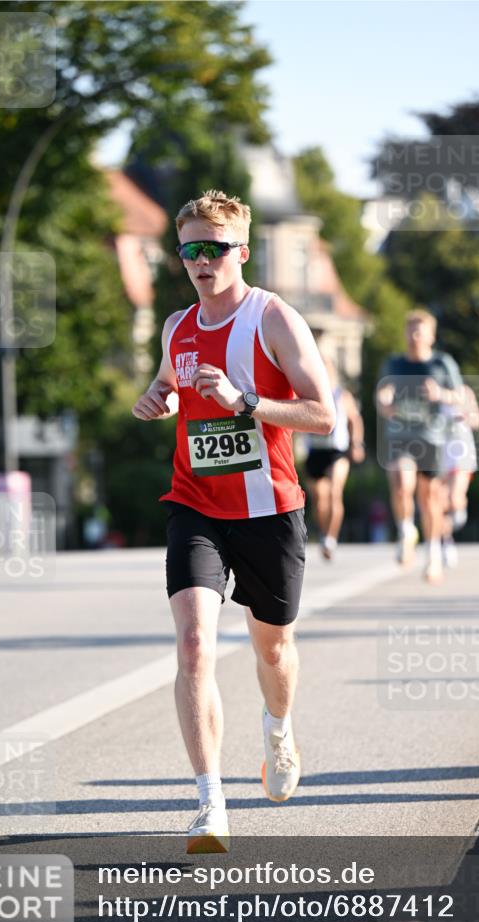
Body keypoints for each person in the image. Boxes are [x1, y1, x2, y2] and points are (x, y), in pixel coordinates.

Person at [132, 190, 334, 853]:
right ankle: (209, 804)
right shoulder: (176, 328)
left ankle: (277, 727)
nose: (201, 260)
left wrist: (246, 401)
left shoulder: (273, 319)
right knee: (192, 645)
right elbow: (169, 383)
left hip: (269, 509)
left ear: (240, 251)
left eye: (214, 247)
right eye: (189, 248)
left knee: (271, 647)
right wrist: (158, 398)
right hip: (194, 504)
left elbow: (322, 414)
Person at [376, 309, 464, 583]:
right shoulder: (394, 364)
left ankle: (434, 554)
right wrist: (384, 400)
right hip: (401, 436)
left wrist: (441, 394)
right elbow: (381, 394)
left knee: (430, 500)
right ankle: (405, 531)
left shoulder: (442, 364)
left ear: (431, 336)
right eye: (410, 330)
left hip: (433, 437)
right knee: (402, 482)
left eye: (420, 331)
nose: (414, 336)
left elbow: (460, 396)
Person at [303, 355, 364, 559]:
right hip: (314, 451)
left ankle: (331, 538)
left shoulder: (341, 395)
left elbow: (355, 420)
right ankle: (323, 532)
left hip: (337, 450)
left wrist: (356, 443)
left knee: (334, 492)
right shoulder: (307, 394)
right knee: (319, 501)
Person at [440, 383, 479, 567]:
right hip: (438, 452)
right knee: (440, 502)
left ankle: (458, 509)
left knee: (454, 498)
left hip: (460, 452)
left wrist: (466, 416)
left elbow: (477, 420)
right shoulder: (430, 390)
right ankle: (445, 542)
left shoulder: (465, 392)